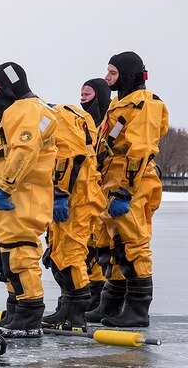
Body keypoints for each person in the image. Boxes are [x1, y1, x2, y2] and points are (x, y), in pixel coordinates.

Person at [86, 52, 167, 327]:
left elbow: (140, 149)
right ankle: (111, 302)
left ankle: (138, 309)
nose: (108, 78)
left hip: (134, 182)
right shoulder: (121, 104)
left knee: (134, 244)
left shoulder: (144, 105)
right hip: (113, 179)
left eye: (112, 73)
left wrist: (126, 191)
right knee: (115, 244)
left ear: (128, 75)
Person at [0, 62, 58, 338]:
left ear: (10, 86)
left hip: (20, 199)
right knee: (8, 256)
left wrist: (5, 186)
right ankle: (16, 310)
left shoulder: (27, 110)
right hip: (12, 202)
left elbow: (25, 150)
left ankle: (29, 315)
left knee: (21, 256)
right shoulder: (20, 111)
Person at [41, 91, 105, 330]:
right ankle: (67, 308)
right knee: (60, 251)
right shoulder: (62, 115)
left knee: (71, 252)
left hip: (76, 197)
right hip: (75, 194)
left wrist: (61, 194)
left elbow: (69, 157)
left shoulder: (56, 116)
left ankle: (76, 313)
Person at [79, 78, 113, 314]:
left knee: (103, 245)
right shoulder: (83, 123)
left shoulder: (109, 123)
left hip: (105, 192)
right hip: (88, 192)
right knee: (88, 244)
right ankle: (92, 293)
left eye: (87, 93)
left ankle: (103, 295)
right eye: (81, 93)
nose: (82, 97)